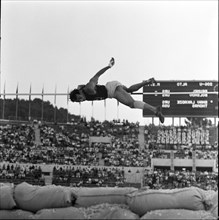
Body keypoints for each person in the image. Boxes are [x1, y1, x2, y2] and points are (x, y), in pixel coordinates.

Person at [69, 57, 164, 123]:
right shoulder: (82, 91)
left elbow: (97, 75)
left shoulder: (89, 87)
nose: (81, 100)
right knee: (129, 90)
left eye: (79, 98)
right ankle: (148, 81)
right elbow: (79, 86)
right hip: (111, 89)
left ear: (80, 93)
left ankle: (155, 109)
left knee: (132, 104)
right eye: (79, 101)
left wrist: (109, 66)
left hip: (112, 90)